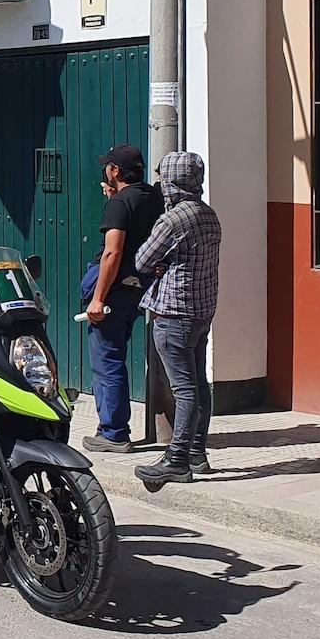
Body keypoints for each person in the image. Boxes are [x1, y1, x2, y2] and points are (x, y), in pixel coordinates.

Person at [132, 152, 224, 486]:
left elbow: (143, 260)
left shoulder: (171, 220)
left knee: (184, 389)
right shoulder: (209, 215)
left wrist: (162, 264)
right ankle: (198, 452)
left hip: (173, 312)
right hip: (202, 311)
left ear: (171, 183)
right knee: (199, 383)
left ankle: (177, 458)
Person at [79, 144, 162, 455]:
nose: (105, 171)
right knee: (116, 355)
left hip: (112, 289)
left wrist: (97, 298)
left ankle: (113, 432)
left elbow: (113, 252)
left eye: (107, 167)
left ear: (115, 171)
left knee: (107, 360)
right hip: (136, 288)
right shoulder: (153, 198)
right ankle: (115, 429)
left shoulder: (119, 206)